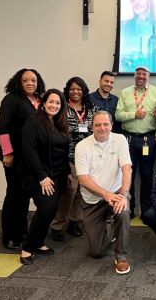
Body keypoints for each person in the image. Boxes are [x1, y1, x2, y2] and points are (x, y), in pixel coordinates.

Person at [75, 111, 132, 275]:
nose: (102, 128)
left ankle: (121, 256)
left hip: (116, 193)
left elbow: (127, 169)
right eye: (98, 125)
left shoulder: (119, 140)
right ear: (91, 126)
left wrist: (124, 195)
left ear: (111, 125)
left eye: (106, 124)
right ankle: (110, 227)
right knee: (96, 252)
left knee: (123, 212)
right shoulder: (82, 146)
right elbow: (83, 180)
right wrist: (106, 195)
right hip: (93, 199)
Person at [0, 68, 45, 250]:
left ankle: (22, 232)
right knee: (14, 194)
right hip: (14, 156)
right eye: (26, 80)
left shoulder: (40, 100)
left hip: (30, 157)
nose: (30, 83)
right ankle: (9, 236)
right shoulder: (11, 99)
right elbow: (1, 127)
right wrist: (7, 153)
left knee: (24, 194)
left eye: (34, 80)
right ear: (19, 82)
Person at [19, 89, 70, 265]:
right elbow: (29, 151)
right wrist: (42, 177)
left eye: (58, 103)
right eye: (51, 101)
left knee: (52, 209)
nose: (54, 105)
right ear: (44, 103)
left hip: (57, 174)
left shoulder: (59, 123)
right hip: (37, 174)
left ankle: (38, 242)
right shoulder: (33, 121)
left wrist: (67, 173)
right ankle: (27, 247)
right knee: (46, 208)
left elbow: (62, 151)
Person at [50, 77, 98, 241]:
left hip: (87, 157)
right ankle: (57, 225)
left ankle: (75, 221)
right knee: (69, 192)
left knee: (81, 192)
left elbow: (96, 129)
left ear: (84, 91)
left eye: (79, 89)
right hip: (68, 156)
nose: (75, 92)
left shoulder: (91, 108)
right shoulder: (62, 108)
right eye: (72, 89)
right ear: (67, 91)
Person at [115, 66, 156, 218]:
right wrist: (133, 114)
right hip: (128, 139)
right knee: (127, 174)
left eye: (144, 74)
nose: (141, 76)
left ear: (149, 76)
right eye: (138, 74)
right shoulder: (125, 92)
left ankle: (146, 210)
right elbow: (118, 115)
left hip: (148, 139)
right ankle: (128, 208)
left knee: (147, 175)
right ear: (134, 76)